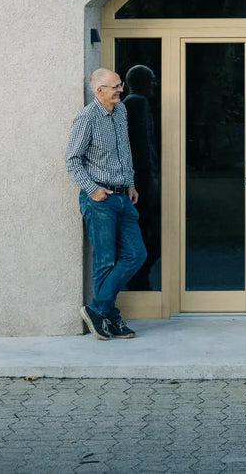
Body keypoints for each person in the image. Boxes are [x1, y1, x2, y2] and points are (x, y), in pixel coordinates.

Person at [65, 68, 147, 341]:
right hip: (100, 200)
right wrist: (93, 190)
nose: (120, 90)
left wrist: (131, 183)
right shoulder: (87, 118)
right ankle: (109, 318)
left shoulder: (120, 112)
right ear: (99, 91)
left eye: (120, 85)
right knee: (104, 260)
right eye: (114, 86)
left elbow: (125, 150)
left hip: (123, 196)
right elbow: (72, 160)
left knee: (136, 254)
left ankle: (98, 309)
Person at [122, 64, 161, 291]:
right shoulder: (137, 103)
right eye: (152, 79)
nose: (155, 84)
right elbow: (142, 144)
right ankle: (138, 280)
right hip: (140, 181)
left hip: (138, 179)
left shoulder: (132, 104)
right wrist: (151, 176)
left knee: (147, 231)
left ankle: (139, 279)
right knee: (149, 234)